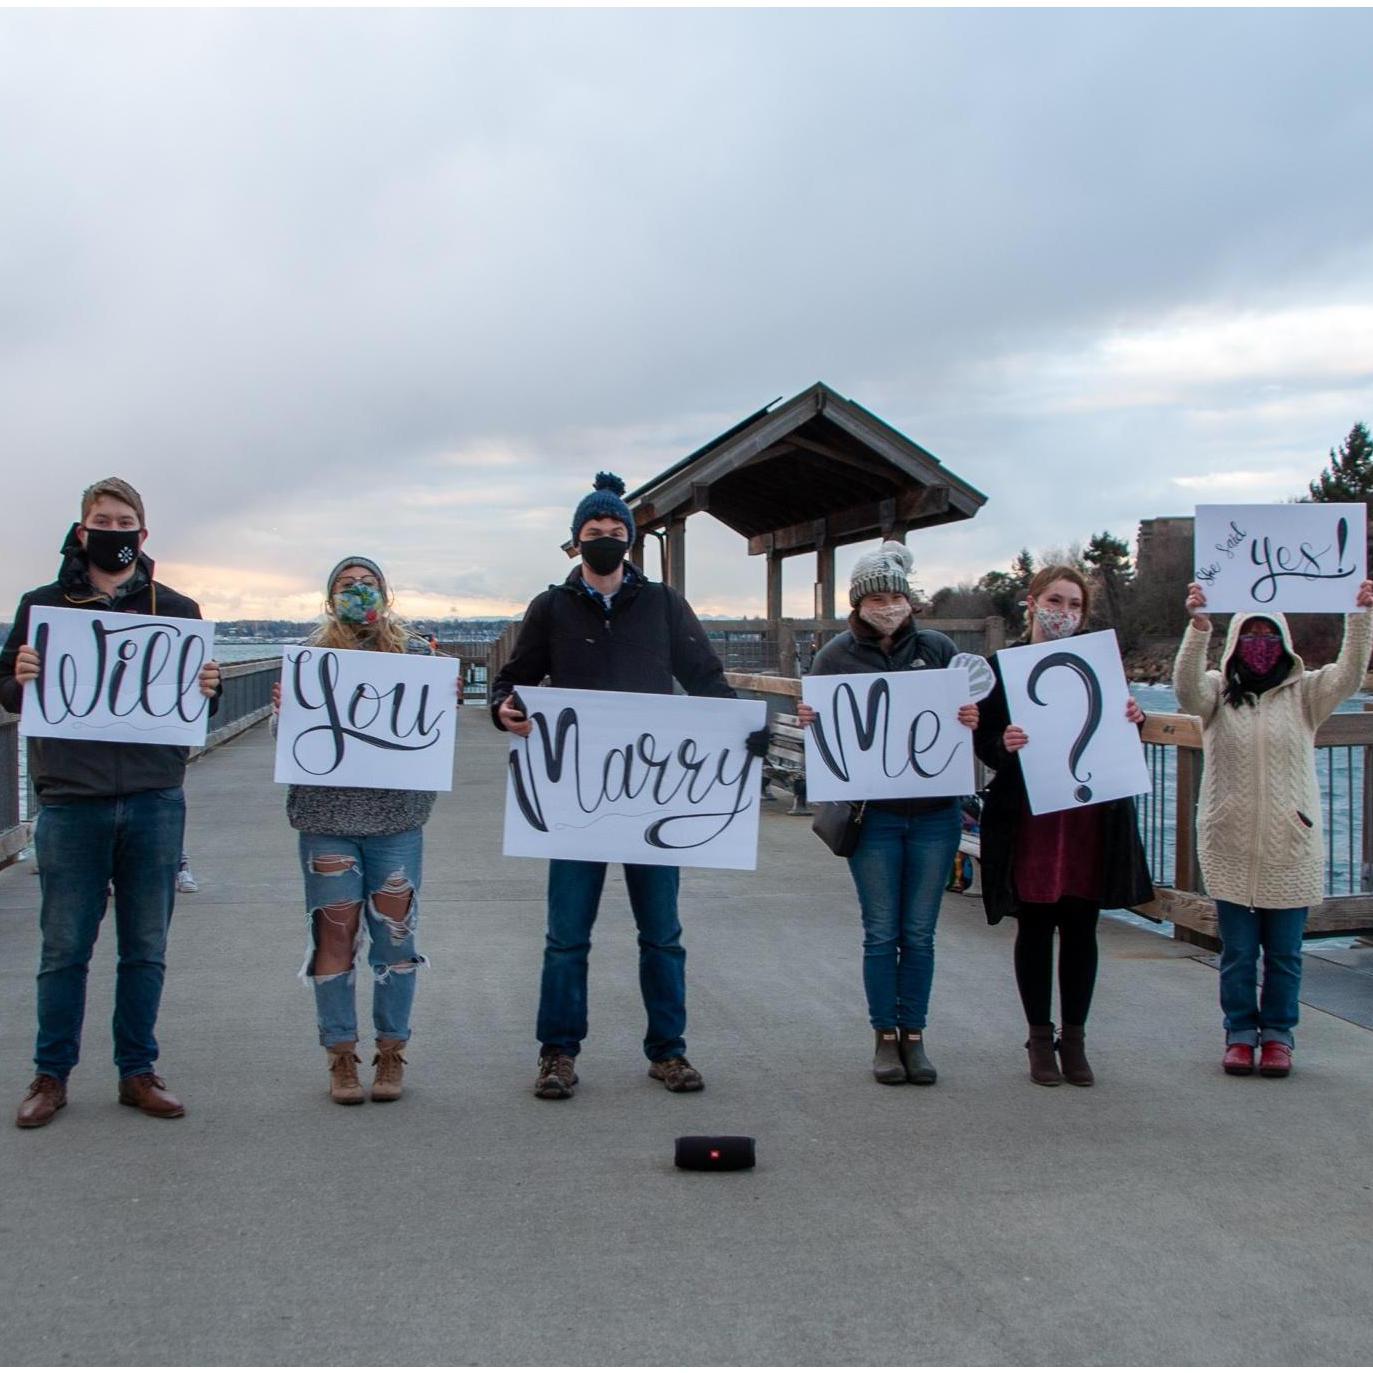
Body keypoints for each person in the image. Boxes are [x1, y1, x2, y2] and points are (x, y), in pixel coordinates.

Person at [491, 472, 766, 1100]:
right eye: (594, 531)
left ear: (631, 540)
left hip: (652, 796)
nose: (606, 539)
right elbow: (514, 680)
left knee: (662, 934)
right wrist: (504, 708)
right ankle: (558, 1052)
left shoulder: (664, 604)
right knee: (566, 936)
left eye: (616, 531)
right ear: (576, 541)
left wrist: (741, 729)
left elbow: (705, 677)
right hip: (575, 796)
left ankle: (668, 1051)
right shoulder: (550, 608)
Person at [0, 479, 222, 1128]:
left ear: (142, 534)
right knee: (64, 949)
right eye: (103, 520)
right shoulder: (42, 606)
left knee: (145, 947)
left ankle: (137, 1071)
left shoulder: (176, 609)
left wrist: (208, 686)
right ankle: (51, 1075)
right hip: (72, 800)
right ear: (82, 530)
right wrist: (20, 677)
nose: (113, 530)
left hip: (154, 799)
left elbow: (194, 708)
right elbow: (9, 690)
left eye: (125, 521)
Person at [271, 556, 453, 1105]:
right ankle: (341, 1054)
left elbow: (433, 728)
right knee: (335, 935)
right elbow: (290, 740)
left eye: (367, 584)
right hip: (326, 820)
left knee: (397, 936)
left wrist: (443, 700)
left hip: (396, 820)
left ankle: (392, 1049)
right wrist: (283, 711)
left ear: (385, 593)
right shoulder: (309, 656)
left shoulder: (416, 655)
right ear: (330, 598)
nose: (357, 591)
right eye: (347, 585)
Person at [1175, 578, 1373, 1078]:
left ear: (1284, 642)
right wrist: (1198, 628)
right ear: (1235, 641)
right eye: (1250, 634)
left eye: (1269, 635)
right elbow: (1185, 690)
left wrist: (1359, 615)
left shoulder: (1307, 694)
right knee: (1239, 953)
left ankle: (1279, 1036)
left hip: (1291, 845)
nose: (1259, 644)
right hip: (1230, 843)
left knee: (1285, 954)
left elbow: (1351, 674)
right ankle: (1240, 1034)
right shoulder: (1217, 692)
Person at [798, 541, 979, 1085]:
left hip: (935, 815)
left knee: (919, 932)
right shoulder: (835, 657)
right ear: (857, 603)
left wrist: (971, 716)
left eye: (895, 597)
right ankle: (884, 1036)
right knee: (881, 931)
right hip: (871, 817)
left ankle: (914, 1036)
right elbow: (826, 737)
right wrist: (810, 719)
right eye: (875, 598)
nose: (888, 606)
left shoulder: (939, 648)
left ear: (909, 600)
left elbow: (967, 714)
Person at [973, 565, 1153, 1087]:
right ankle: (1038, 1037)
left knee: (1081, 925)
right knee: (1034, 925)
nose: (1065, 613)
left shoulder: (1099, 666)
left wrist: (1135, 719)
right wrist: (1002, 745)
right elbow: (984, 743)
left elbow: (1114, 735)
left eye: (1075, 605)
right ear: (1031, 603)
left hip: (1087, 815)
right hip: (1031, 816)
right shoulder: (1000, 670)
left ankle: (1074, 1038)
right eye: (1055, 601)